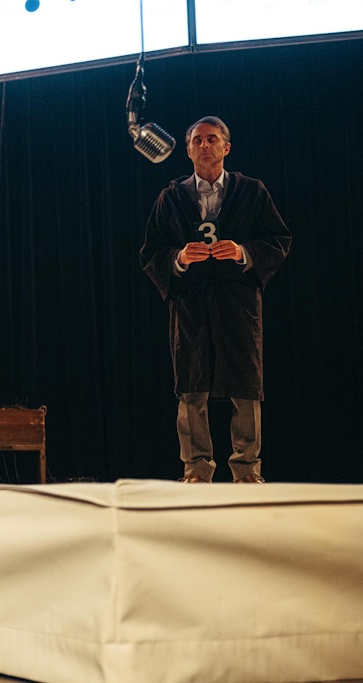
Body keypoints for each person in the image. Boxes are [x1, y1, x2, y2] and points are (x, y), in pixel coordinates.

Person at [139, 116, 290, 484]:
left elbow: (278, 241)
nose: (205, 146)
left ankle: (247, 470)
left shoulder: (251, 191)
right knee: (191, 385)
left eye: (212, 139)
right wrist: (178, 258)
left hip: (237, 302)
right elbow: (150, 252)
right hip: (190, 303)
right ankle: (196, 468)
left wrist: (241, 251)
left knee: (246, 385)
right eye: (197, 140)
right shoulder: (171, 197)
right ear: (188, 150)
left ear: (227, 147)